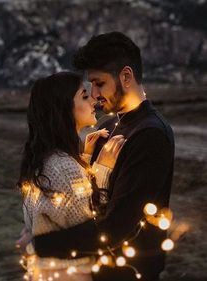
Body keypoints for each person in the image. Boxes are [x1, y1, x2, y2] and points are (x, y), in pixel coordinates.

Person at [34, 32, 175, 281]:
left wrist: (44, 244)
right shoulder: (109, 126)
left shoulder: (151, 135)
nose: (95, 93)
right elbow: (88, 198)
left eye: (100, 83)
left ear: (126, 76)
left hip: (130, 271)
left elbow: (117, 226)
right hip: (98, 266)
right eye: (91, 85)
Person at [17, 71, 126, 281]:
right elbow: (93, 224)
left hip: (45, 271)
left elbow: (65, 207)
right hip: (69, 274)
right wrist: (103, 168)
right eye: (84, 96)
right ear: (63, 109)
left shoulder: (47, 159)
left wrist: (84, 158)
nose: (94, 99)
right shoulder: (64, 167)